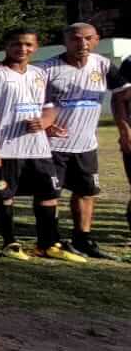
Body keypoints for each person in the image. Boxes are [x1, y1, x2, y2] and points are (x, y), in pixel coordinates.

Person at [0, 28, 81, 261]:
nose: (22, 49)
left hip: (39, 148)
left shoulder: (39, 74)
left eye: (28, 45)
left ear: (36, 47)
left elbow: (50, 106)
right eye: (16, 44)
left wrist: (46, 122)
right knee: (5, 195)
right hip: (6, 149)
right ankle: (10, 243)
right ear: (6, 46)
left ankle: (48, 244)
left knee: (48, 195)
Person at [40, 23, 128, 258]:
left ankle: (83, 239)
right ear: (65, 42)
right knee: (50, 195)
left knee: (87, 192)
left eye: (88, 38)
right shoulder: (47, 69)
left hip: (86, 144)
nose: (83, 44)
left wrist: (124, 128)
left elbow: (123, 95)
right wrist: (44, 124)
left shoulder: (104, 65)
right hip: (52, 146)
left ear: (97, 39)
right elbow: (27, 100)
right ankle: (51, 240)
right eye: (76, 39)